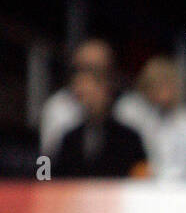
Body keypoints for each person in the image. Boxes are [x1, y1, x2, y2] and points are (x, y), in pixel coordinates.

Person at [51, 50, 147, 179]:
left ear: (106, 92)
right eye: (82, 96)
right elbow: (57, 178)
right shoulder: (70, 139)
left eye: (92, 94)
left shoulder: (129, 138)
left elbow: (142, 178)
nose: (88, 101)